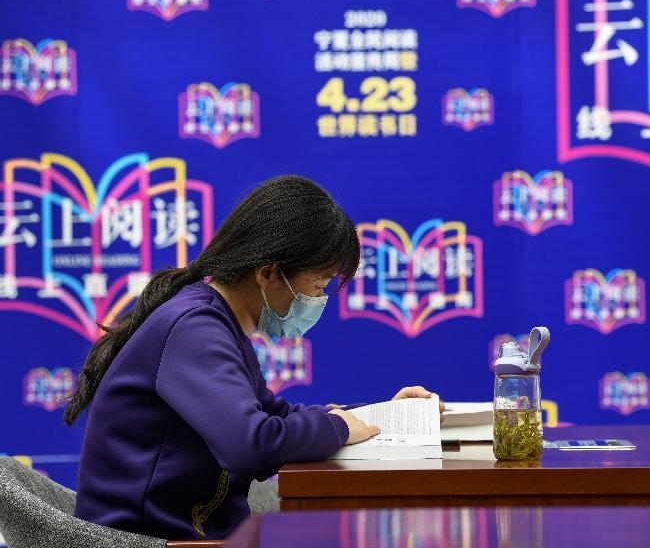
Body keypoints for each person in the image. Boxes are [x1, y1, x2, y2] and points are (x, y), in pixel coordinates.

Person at [65, 175, 442, 540]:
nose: (319, 301)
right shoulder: (195, 329)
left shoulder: (217, 321)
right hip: (150, 539)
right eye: (317, 286)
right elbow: (251, 446)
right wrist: (337, 428)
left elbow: (274, 415)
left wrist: (380, 415)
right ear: (268, 273)